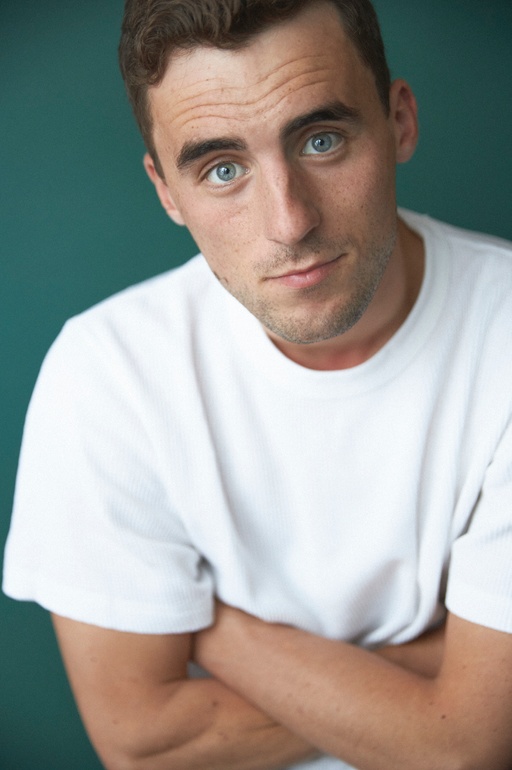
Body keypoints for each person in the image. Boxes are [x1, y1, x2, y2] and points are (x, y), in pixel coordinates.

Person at [3, 0, 512, 768]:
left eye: (321, 139)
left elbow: (471, 745)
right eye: (223, 168)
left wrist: (214, 629)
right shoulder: (107, 375)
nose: (289, 222)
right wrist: (445, 678)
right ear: (166, 191)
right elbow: (142, 743)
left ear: (400, 120)